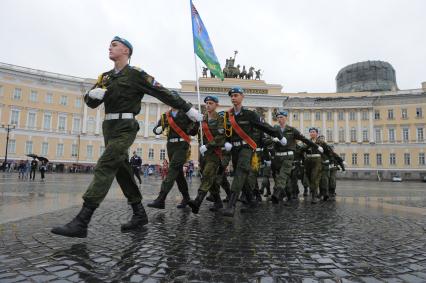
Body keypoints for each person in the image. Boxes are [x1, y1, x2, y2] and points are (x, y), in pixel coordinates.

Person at [51, 36, 202, 238]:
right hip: (108, 127)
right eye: (110, 45)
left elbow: (162, 92)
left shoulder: (136, 74)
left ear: (126, 51)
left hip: (125, 126)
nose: (109, 48)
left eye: (114, 45)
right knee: (121, 170)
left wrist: (187, 108)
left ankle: (82, 221)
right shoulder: (104, 78)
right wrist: (91, 96)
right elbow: (91, 103)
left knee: (106, 164)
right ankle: (139, 213)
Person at [221, 87, 286, 217]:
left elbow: (264, 126)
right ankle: (251, 200)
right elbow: (227, 132)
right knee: (242, 176)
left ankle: (231, 205)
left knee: (240, 171)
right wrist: (226, 141)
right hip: (235, 149)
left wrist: (279, 135)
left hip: (247, 148)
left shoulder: (250, 114)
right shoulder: (228, 115)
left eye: (236, 95)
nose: (233, 98)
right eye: (232, 96)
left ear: (242, 97)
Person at [148, 105, 199, 210]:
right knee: (178, 174)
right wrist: (157, 129)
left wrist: (197, 122)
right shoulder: (166, 115)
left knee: (172, 170)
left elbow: (193, 132)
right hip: (170, 146)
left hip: (182, 145)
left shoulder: (186, 114)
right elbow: (157, 129)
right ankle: (186, 198)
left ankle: (161, 199)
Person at [270, 111, 322, 204]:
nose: (279, 119)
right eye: (278, 117)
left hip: (288, 157)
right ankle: (289, 197)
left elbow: (304, 139)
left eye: (281, 117)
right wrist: (272, 139)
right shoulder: (275, 129)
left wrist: (316, 146)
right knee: (284, 179)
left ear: (286, 118)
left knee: (283, 175)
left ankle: (277, 194)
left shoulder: (292, 130)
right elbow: (266, 139)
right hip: (278, 157)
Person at [188, 95, 225, 214]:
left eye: (211, 103)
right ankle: (218, 201)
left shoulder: (220, 118)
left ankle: (197, 202)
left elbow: (221, 137)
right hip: (202, 153)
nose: (208, 105)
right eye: (207, 103)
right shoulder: (202, 118)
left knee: (207, 175)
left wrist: (208, 146)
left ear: (216, 105)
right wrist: (194, 119)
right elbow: (192, 132)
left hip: (213, 152)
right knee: (209, 177)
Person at [303, 127, 333, 204]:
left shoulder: (321, 143)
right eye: (311, 132)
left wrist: (328, 161)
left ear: (317, 133)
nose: (312, 133)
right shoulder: (307, 142)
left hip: (317, 162)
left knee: (314, 178)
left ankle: (314, 196)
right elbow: (302, 151)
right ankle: (314, 193)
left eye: (313, 132)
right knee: (310, 179)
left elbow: (329, 152)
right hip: (308, 162)